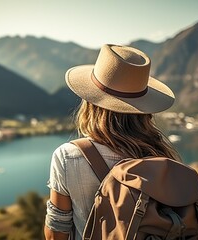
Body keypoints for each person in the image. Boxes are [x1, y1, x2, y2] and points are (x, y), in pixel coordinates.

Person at [44, 44, 181, 240]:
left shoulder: (68, 156)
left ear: (90, 103)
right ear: (144, 110)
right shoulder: (163, 155)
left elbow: (56, 233)